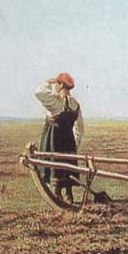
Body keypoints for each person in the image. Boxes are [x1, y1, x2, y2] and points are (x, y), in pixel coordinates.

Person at [35, 73, 85, 202]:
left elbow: (38, 93)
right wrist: (76, 143)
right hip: (69, 141)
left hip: (54, 140)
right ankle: (69, 194)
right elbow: (80, 127)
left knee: (55, 165)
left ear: (61, 85)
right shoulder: (75, 103)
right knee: (68, 165)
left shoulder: (55, 102)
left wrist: (47, 82)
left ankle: (57, 193)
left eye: (57, 84)